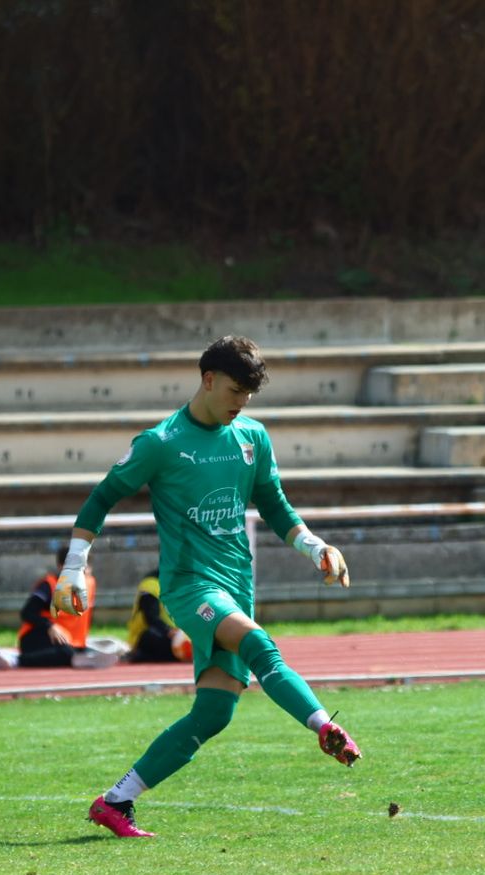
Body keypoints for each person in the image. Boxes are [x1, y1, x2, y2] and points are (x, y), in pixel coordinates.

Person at [54, 335, 360, 838]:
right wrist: (73, 566)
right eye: (236, 391)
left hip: (237, 582)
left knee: (215, 712)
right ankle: (323, 725)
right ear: (209, 379)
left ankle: (116, 801)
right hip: (190, 585)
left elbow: (274, 503)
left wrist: (314, 546)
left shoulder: (251, 437)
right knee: (261, 645)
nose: (242, 404)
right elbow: (103, 496)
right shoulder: (161, 442)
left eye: (250, 396)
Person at [16, 548, 106, 667]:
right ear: (61, 567)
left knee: (87, 651)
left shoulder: (90, 584)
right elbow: (27, 613)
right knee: (66, 653)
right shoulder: (49, 585)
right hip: (38, 638)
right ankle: (16, 660)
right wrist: (50, 626)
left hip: (72, 642)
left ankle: (77, 658)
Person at [125, 570, 189, 663]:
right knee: (152, 636)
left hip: (178, 634)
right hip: (150, 634)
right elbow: (151, 618)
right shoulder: (150, 585)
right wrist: (169, 631)